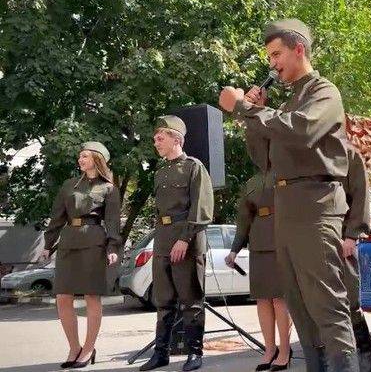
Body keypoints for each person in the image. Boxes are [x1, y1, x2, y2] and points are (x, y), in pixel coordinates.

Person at [218, 19, 359, 371]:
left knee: (328, 310)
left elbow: (304, 130)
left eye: (277, 54)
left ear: (300, 49)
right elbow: (264, 160)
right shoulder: (288, 102)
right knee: (300, 310)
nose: (273, 63)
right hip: (288, 210)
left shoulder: (323, 91)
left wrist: (246, 109)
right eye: (269, 57)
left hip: (315, 209)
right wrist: (252, 116)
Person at [139, 116, 214, 372]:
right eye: (155, 137)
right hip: (162, 240)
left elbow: (202, 208)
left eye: (161, 136)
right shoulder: (160, 172)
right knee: (164, 300)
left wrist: (184, 238)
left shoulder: (194, 167)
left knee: (191, 299)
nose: (155, 141)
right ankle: (161, 354)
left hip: (187, 240)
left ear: (177, 139)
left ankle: (194, 353)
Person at [41, 141, 121, 369]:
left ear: (96, 159)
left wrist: (113, 247)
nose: (80, 160)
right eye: (80, 156)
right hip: (68, 242)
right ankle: (74, 347)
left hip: (94, 242)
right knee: (62, 297)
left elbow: (113, 222)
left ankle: (88, 348)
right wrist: (48, 243)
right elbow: (57, 217)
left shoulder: (109, 188)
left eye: (84, 156)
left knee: (91, 296)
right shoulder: (68, 185)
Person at [226, 133, 293, 371]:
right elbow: (244, 220)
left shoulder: (289, 174)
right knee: (262, 299)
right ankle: (269, 349)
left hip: (282, 240)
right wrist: (234, 250)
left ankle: (285, 350)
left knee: (279, 299)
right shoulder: (251, 183)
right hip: (259, 244)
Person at [341, 142, 371, 372]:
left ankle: (366, 350)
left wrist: (352, 235)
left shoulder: (349, 153)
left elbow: (361, 195)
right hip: (317, 236)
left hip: (343, 236)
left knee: (349, 297)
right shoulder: (311, 151)